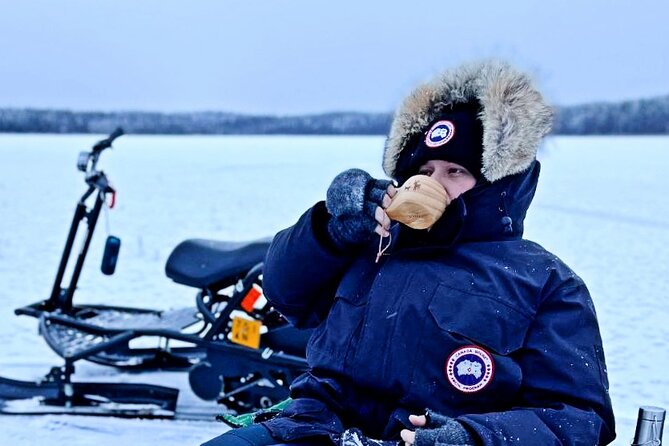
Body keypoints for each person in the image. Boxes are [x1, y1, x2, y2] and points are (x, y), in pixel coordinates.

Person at [203, 60, 615, 445]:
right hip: (314, 424)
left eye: (456, 171)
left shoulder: (544, 281)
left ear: (497, 184)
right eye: (425, 171)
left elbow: (577, 417)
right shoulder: (374, 240)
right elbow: (283, 291)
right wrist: (329, 229)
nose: (435, 184)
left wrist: (473, 437)